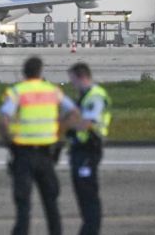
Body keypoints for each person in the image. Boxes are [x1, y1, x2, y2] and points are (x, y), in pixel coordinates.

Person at [0, 57, 78, 235]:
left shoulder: (18, 91)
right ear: (41, 71)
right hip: (45, 153)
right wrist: (59, 131)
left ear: (24, 72)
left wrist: (8, 141)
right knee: (51, 203)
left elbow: (3, 119)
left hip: (23, 152)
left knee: (23, 205)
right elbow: (73, 112)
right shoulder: (52, 91)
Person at [67, 62, 111, 235]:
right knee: (83, 194)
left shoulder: (95, 96)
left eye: (73, 80)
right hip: (80, 150)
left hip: (89, 149)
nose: (72, 85)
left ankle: (90, 231)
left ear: (81, 77)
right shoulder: (85, 96)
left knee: (88, 194)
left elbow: (87, 123)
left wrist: (67, 125)